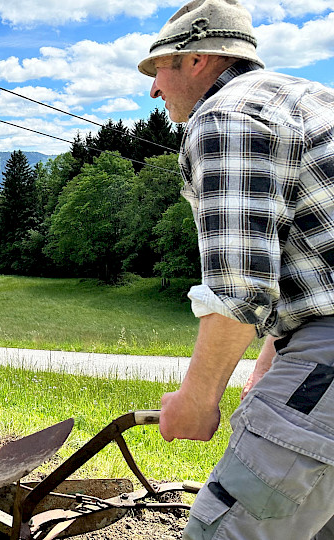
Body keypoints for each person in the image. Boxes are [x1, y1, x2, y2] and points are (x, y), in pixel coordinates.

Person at [140, 0, 334, 538]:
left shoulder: (225, 117)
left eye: (158, 67)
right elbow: (316, 257)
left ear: (198, 59)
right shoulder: (311, 100)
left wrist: (196, 401)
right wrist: (272, 354)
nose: (154, 88)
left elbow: (239, 289)